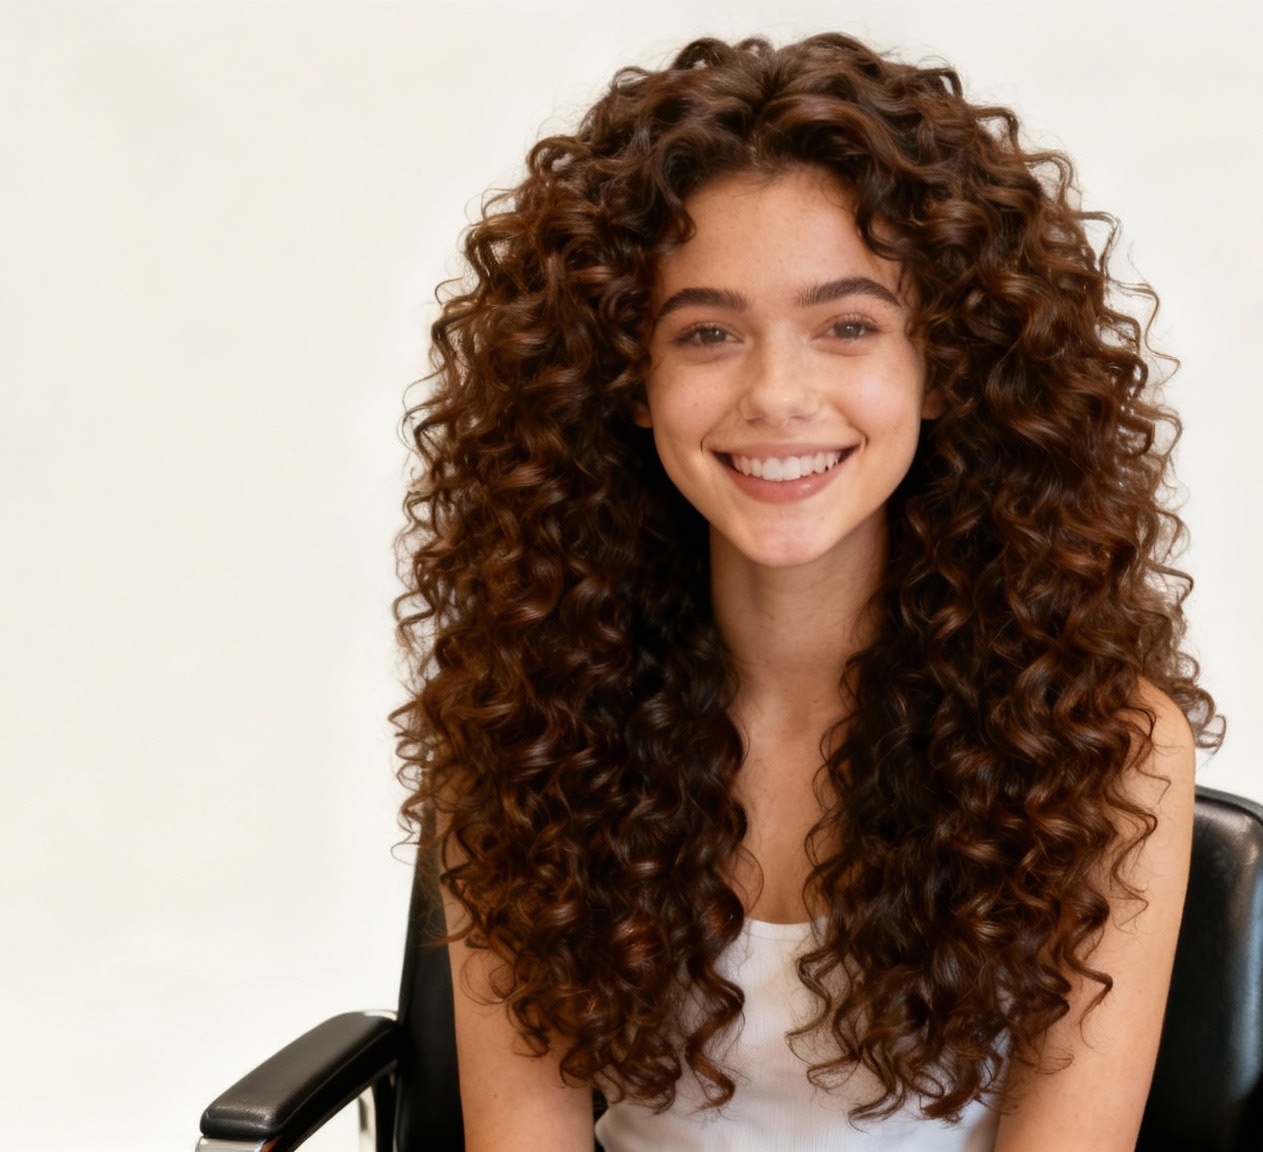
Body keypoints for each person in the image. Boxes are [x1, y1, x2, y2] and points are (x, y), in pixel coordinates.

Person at [392, 32, 1218, 1152]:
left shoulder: (1105, 749)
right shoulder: (525, 724)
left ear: (945, 365)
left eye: (847, 326)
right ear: (626, 380)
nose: (778, 394)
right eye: (707, 332)